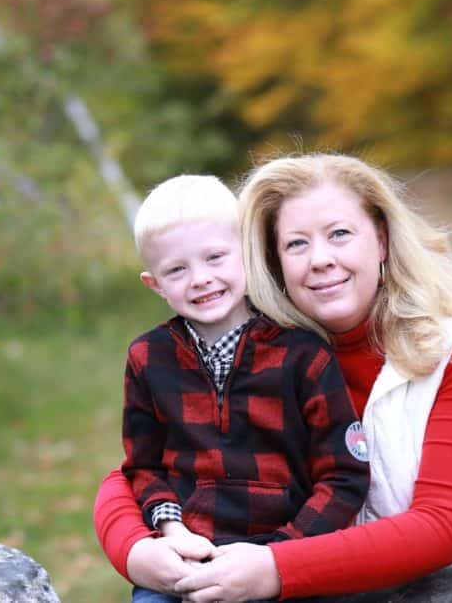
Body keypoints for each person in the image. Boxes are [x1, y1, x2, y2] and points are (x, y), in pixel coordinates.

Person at [94, 155, 452, 601]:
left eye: (340, 234)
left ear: (381, 240)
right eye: (296, 244)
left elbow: (446, 522)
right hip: (316, 585)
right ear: (269, 260)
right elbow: (145, 467)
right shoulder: (274, 351)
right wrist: (137, 552)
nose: (321, 259)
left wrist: (276, 565)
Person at [120, 174, 371, 602]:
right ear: (155, 283)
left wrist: (282, 554)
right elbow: (143, 466)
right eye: (177, 269)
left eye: (215, 257)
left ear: (249, 254)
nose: (200, 278)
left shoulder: (302, 353)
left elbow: (344, 475)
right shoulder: (149, 357)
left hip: (286, 564)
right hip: (191, 559)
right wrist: (171, 531)